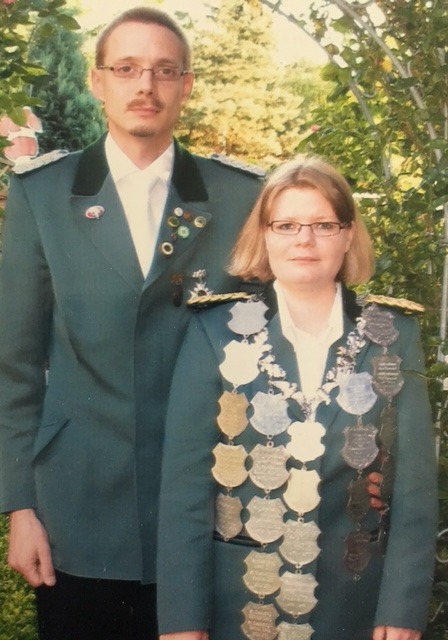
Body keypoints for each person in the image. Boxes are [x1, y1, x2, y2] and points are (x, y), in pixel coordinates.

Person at [0, 7, 265, 640]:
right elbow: (15, 363)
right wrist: (19, 506)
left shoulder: (241, 197)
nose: (145, 85)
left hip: (213, 499)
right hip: (79, 503)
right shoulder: (43, 194)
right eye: (126, 68)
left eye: (164, 70)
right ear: (97, 81)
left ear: (186, 85)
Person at [156, 156, 438, 640]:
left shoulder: (392, 335)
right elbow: (184, 490)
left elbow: (414, 487)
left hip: (354, 604)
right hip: (239, 602)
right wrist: (183, 620)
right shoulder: (215, 332)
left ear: (348, 235)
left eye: (323, 225)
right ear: (264, 235)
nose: (304, 240)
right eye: (286, 225)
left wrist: (402, 608)